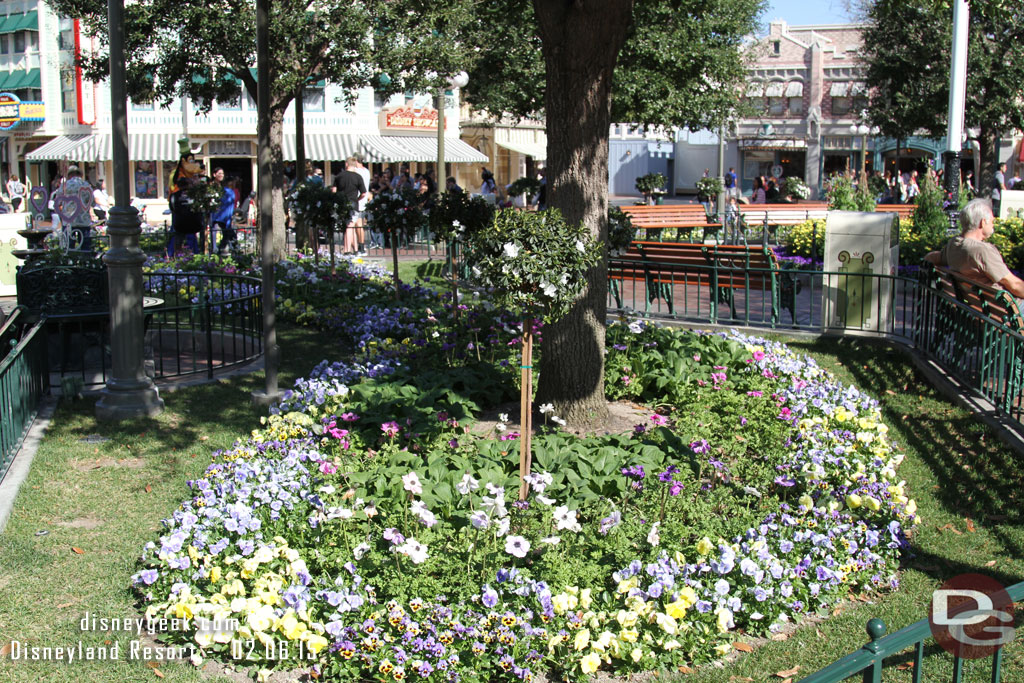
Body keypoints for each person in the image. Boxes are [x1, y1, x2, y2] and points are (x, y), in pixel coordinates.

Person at [924, 198, 1024, 299]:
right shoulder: (982, 251)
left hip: (978, 305)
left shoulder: (954, 244)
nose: (993, 224)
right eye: (992, 221)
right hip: (1002, 308)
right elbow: (1014, 285)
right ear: (983, 222)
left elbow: (931, 258)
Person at [332, 156, 367, 255]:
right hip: (353, 204)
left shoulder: (339, 176)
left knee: (348, 227)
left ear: (346, 164)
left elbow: (334, 191)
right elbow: (364, 193)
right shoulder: (358, 177)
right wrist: (357, 199)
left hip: (342, 204)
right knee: (350, 226)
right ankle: (348, 250)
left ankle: (354, 249)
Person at [62, 166, 95, 251]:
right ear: (81, 175)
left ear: (69, 175)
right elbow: (92, 202)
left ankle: (70, 262)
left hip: (69, 219)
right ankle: (85, 262)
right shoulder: (86, 185)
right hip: (83, 219)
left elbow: (58, 199)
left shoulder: (65, 185)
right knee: (85, 247)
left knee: (68, 247)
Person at [168, 176, 203, 255]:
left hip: (179, 223)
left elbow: (172, 208)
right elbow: (198, 208)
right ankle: (194, 255)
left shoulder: (174, 195)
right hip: (193, 223)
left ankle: (176, 256)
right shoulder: (194, 195)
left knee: (178, 242)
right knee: (192, 243)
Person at [210, 167, 236, 255]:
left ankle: (224, 247)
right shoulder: (211, 186)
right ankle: (214, 249)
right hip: (215, 213)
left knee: (227, 232)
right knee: (214, 231)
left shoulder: (225, 188)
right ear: (214, 174)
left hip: (224, 214)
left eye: (222, 173)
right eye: (219, 173)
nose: (221, 175)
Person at [353, 156, 372, 255]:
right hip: (363, 200)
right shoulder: (367, 171)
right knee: (359, 224)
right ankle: (360, 246)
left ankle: (361, 246)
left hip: (358, 199)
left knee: (358, 224)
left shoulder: (357, 171)